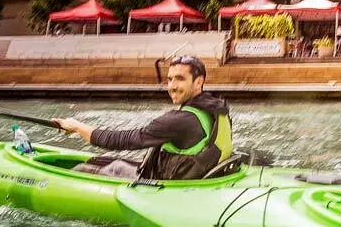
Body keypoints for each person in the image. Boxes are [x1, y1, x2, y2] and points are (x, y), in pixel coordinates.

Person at [53, 56, 233, 180]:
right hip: (195, 177)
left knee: (83, 169)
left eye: (179, 79)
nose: (171, 86)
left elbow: (121, 141)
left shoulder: (179, 120)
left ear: (199, 82)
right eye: (169, 79)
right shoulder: (215, 109)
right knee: (109, 162)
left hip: (166, 187)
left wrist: (76, 126)